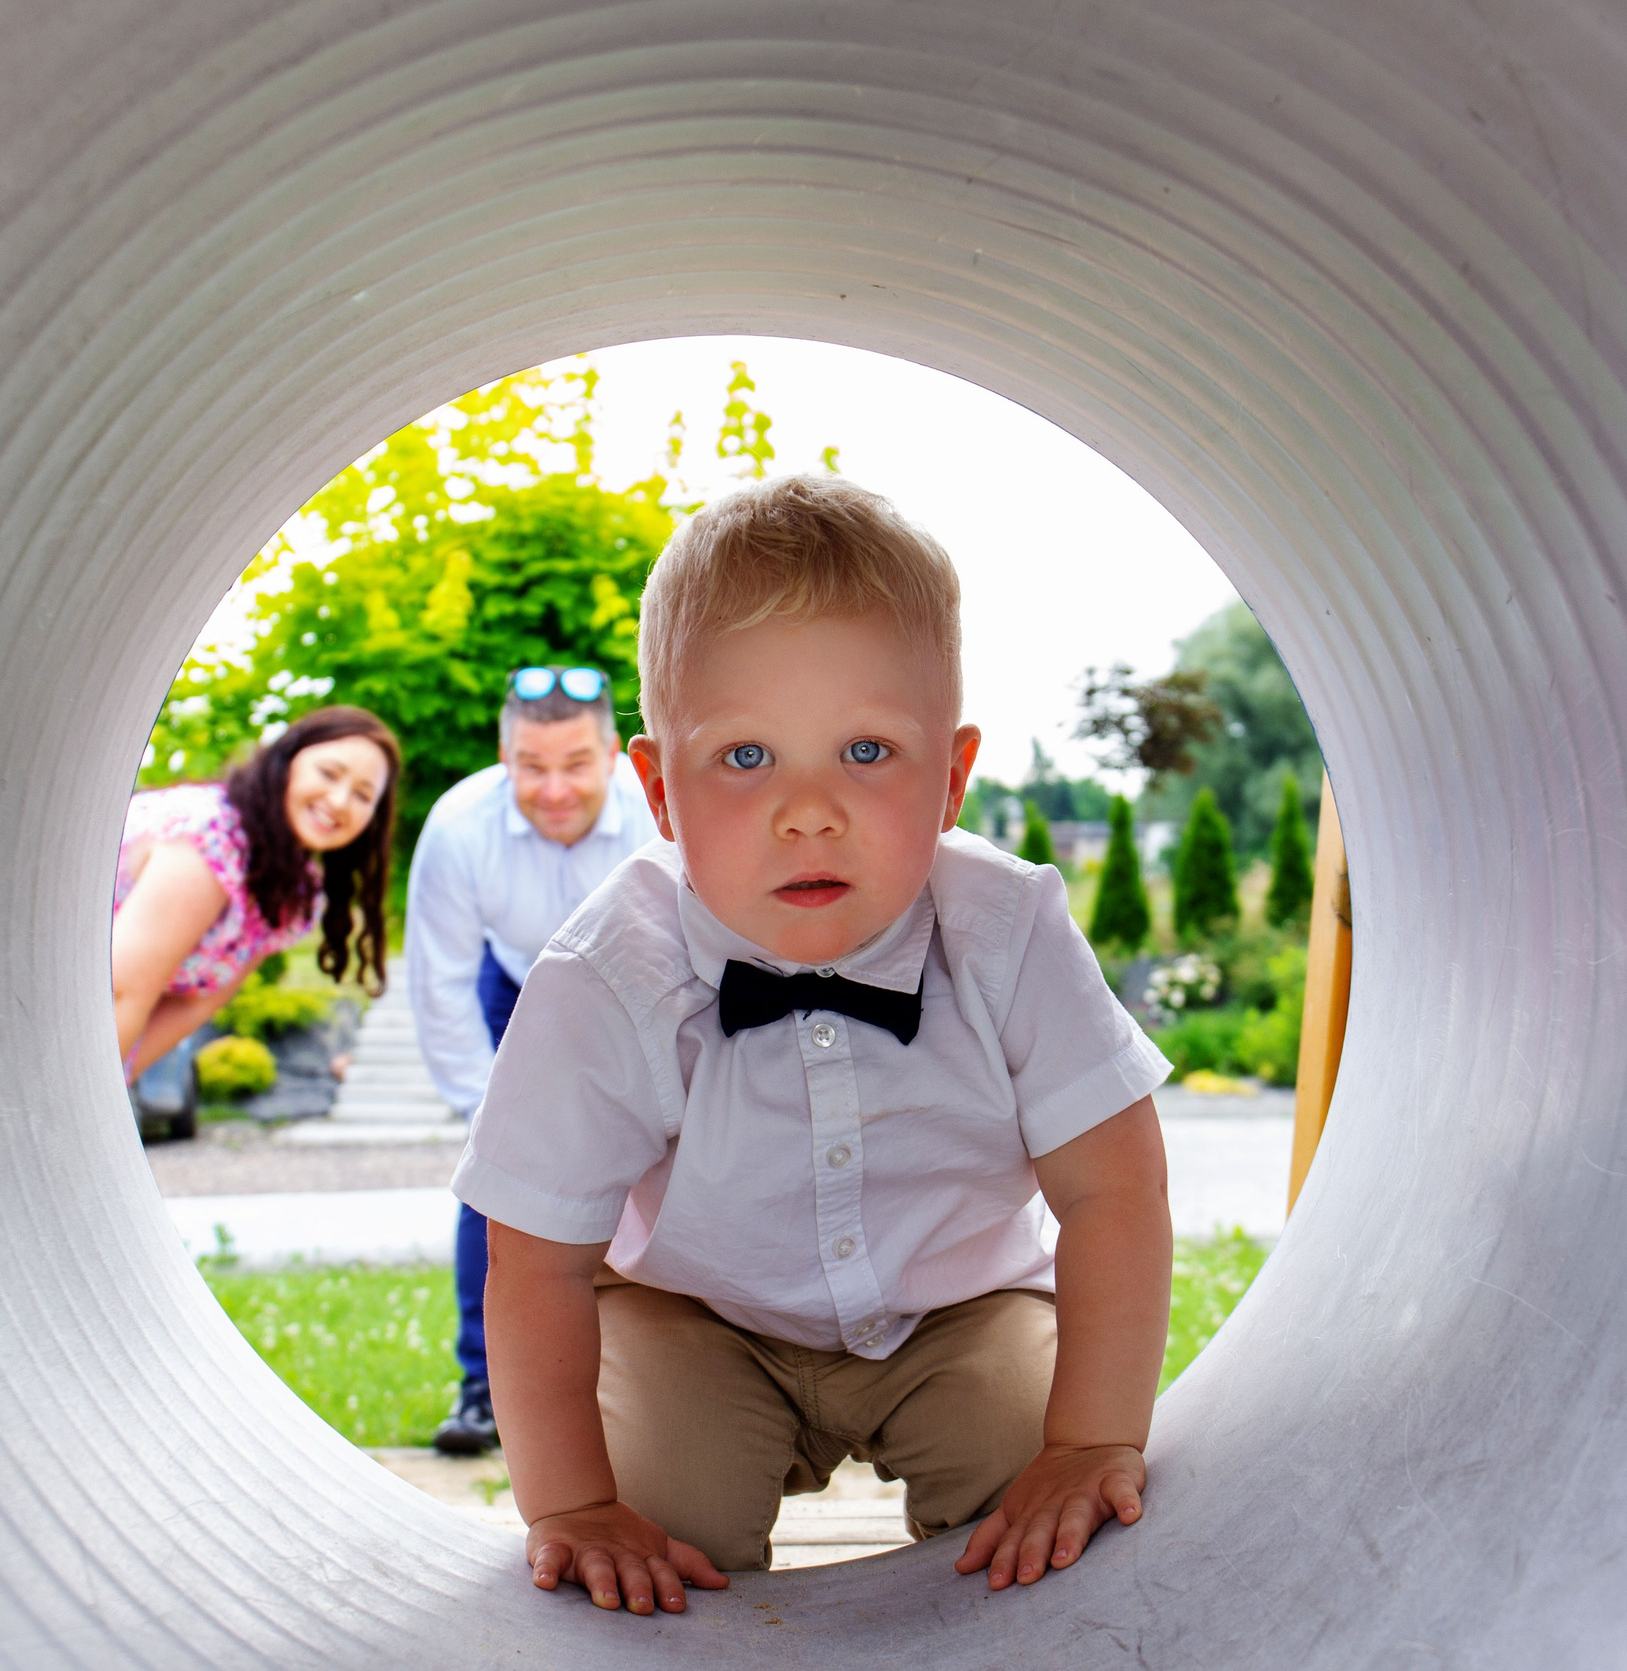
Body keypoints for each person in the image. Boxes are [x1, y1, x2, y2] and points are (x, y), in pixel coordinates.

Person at [456, 475, 1174, 1617]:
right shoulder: (606, 975)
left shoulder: (1007, 926)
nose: (808, 810)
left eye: (867, 752)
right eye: (745, 758)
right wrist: (569, 1505)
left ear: (952, 776)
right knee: (650, 1520)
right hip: (697, 1312)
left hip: (959, 1304)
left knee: (1043, 1484)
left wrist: (1090, 1438)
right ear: (655, 788)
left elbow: (1114, 1189)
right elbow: (532, 1258)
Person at [405, 665, 659, 1455]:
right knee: (499, 1185)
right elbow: (439, 984)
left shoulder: (659, 816)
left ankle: (657, 1377)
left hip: (638, 984)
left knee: (670, 1172)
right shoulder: (457, 827)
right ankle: (483, 1387)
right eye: (532, 767)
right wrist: (495, 1127)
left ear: (614, 754)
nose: (554, 789)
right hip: (512, 986)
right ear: (503, 755)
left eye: (576, 764)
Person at [113, 706, 400, 1133]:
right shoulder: (210, 838)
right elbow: (119, 993)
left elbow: (194, 1004)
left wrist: (116, 1084)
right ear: (288, 761)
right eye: (329, 773)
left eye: (362, 795)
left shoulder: (288, 895)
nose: (339, 801)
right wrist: (79, 1104)